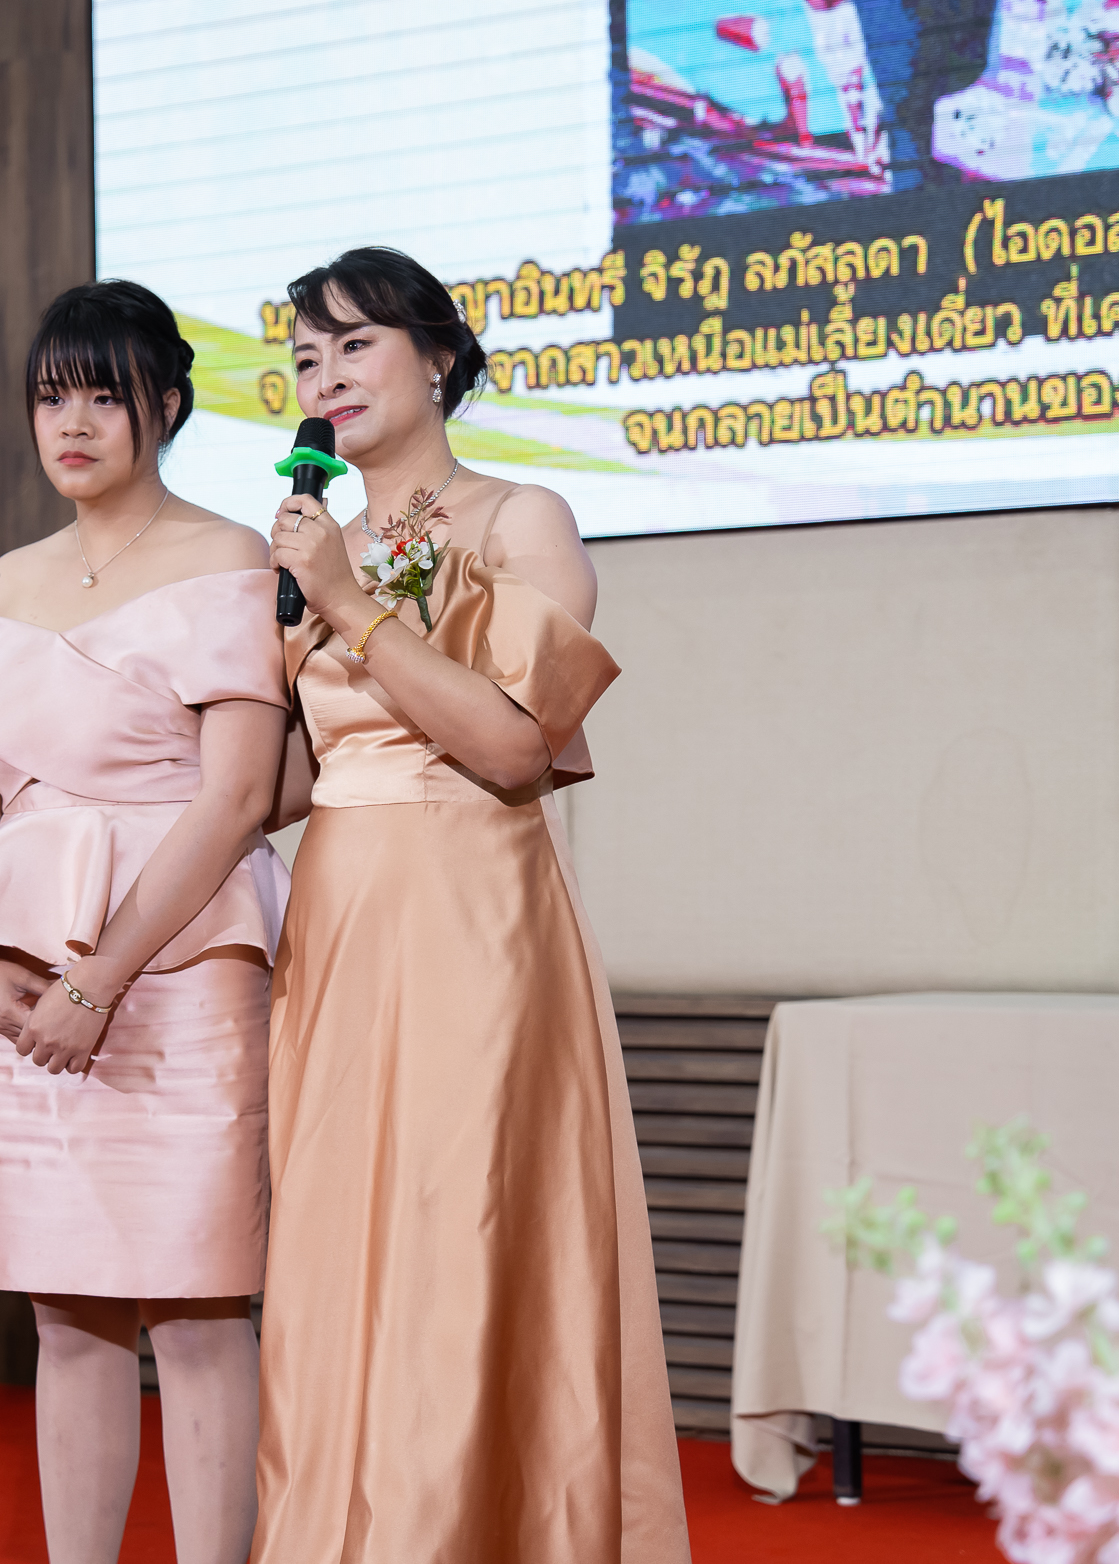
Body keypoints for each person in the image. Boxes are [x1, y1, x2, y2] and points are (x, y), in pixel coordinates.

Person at [254, 247, 693, 1563]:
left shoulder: (519, 519)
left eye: (356, 345)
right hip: (338, 913)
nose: (326, 376)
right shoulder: (312, 548)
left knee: (461, 1233)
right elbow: (294, 773)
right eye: (307, 357)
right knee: (336, 1249)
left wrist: (350, 606)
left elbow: (512, 746)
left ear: (438, 357)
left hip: (472, 913)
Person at [0, 280, 289, 1564]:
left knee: (197, 1307)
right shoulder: (10, 575)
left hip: (180, 962)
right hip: (21, 971)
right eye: (48, 397)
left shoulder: (227, 554)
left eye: (101, 396)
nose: (70, 424)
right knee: (65, 1314)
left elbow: (237, 795)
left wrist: (101, 980)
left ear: (165, 406)